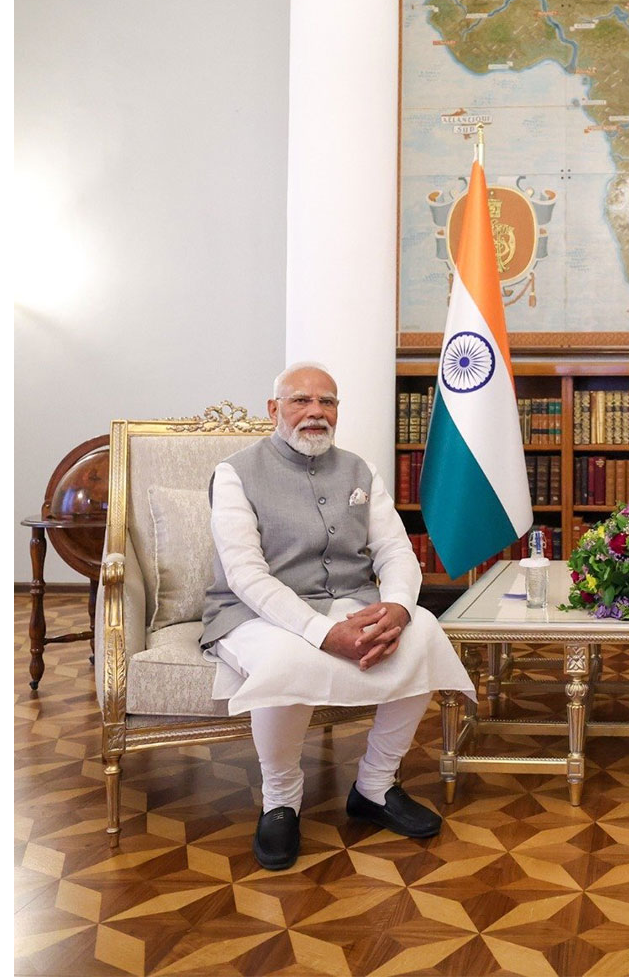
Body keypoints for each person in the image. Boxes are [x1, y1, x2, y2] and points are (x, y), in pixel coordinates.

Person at [200, 363, 475, 870]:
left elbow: (395, 550)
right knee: (286, 660)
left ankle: (375, 785)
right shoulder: (235, 472)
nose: (315, 412)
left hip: (350, 599)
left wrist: (397, 607)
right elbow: (244, 574)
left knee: (424, 635)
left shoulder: (359, 470)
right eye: (300, 401)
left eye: (326, 402)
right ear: (274, 409)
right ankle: (281, 800)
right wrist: (323, 633)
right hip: (254, 612)